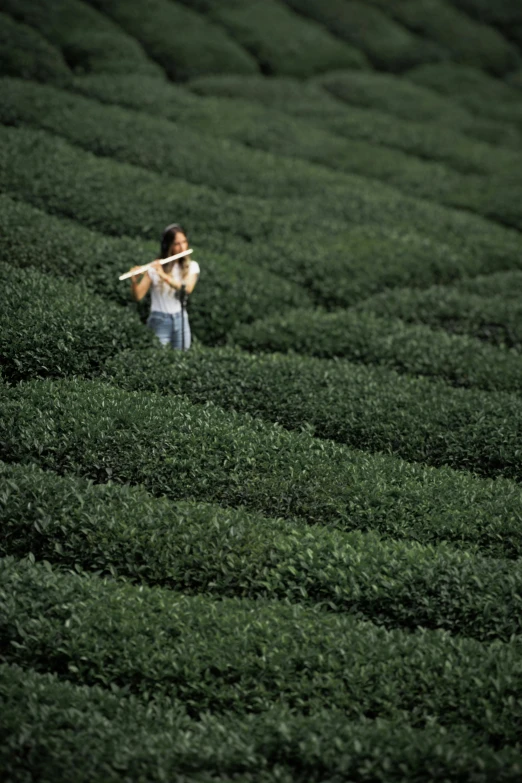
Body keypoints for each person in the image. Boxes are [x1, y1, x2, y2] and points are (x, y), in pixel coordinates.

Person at [129, 223, 200, 349]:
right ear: (168, 246)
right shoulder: (155, 267)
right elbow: (138, 297)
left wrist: (163, 275)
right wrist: (134, 282)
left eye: (184, 242)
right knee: (158, 358)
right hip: (159, 320)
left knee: (181, 359)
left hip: (180, 319)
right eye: (177, 244)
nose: (182, 247)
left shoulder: (192, 266)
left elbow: (187, 288)